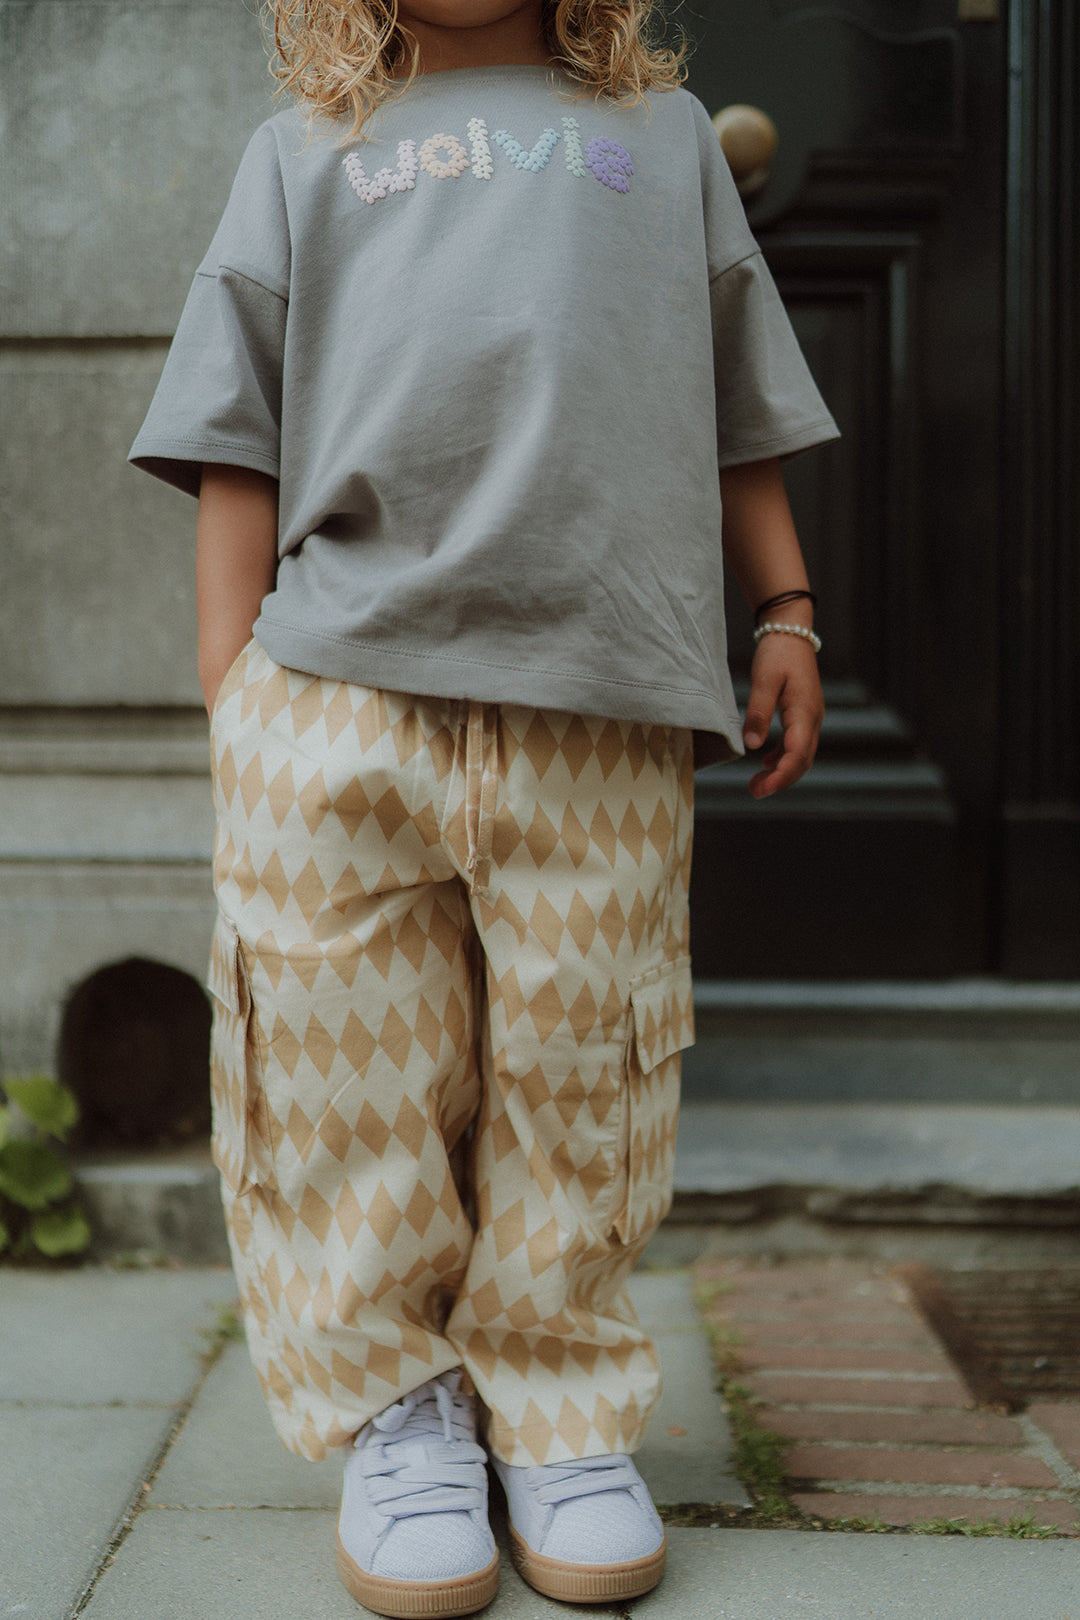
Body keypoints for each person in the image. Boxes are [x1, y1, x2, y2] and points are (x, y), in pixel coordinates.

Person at [129, 0, 838, 1613]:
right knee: (346, 1073)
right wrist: (235, 695)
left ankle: (560, 1410)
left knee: (584, 1069)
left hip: (603, 697)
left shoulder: (664, 143)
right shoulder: (302, 153)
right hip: (338, 697)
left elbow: (737, 395)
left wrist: (786, 607)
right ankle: (399, 1412)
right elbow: (234, 427)